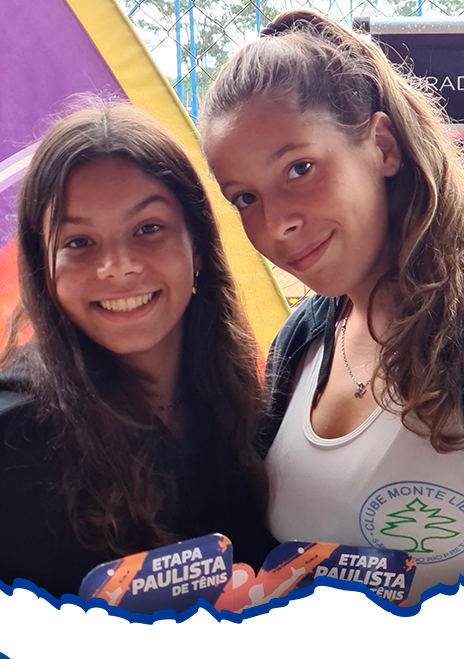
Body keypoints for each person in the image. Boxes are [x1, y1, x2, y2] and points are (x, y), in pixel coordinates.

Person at [200, 9, 464, 603]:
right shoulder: (299, 344)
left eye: (299, 168)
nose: (276, 222)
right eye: (245, 198)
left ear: (382, 147)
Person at [0, 101, 275, 599]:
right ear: (45, 268)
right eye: (79, 242)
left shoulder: (246, 402)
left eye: (147, 228)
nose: (117, 266)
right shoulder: (14, 432)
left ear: (197, 246)